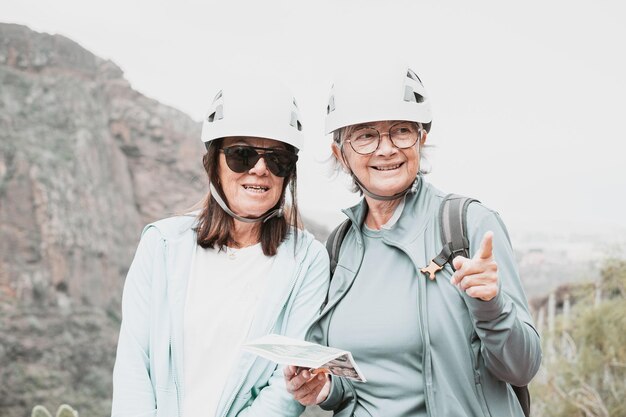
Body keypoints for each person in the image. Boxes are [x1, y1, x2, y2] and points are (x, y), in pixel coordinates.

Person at [284, 65, 542, 417]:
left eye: (401, 131)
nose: (386, 149)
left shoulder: (467, 225)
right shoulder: (340, 247)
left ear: (420, 140)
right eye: (365, 136)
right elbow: (357, 379)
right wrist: (326, 388)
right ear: (340, 153)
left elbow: (522, 368)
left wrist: (491, 306)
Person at [111, 79, 329, 417]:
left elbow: (284, 388)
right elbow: (134, 365)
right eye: (242, 155)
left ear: (288, 173)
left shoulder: (308, 262)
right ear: (214, 163)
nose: (260, 168)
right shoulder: (162, 245)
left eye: (277, 159)